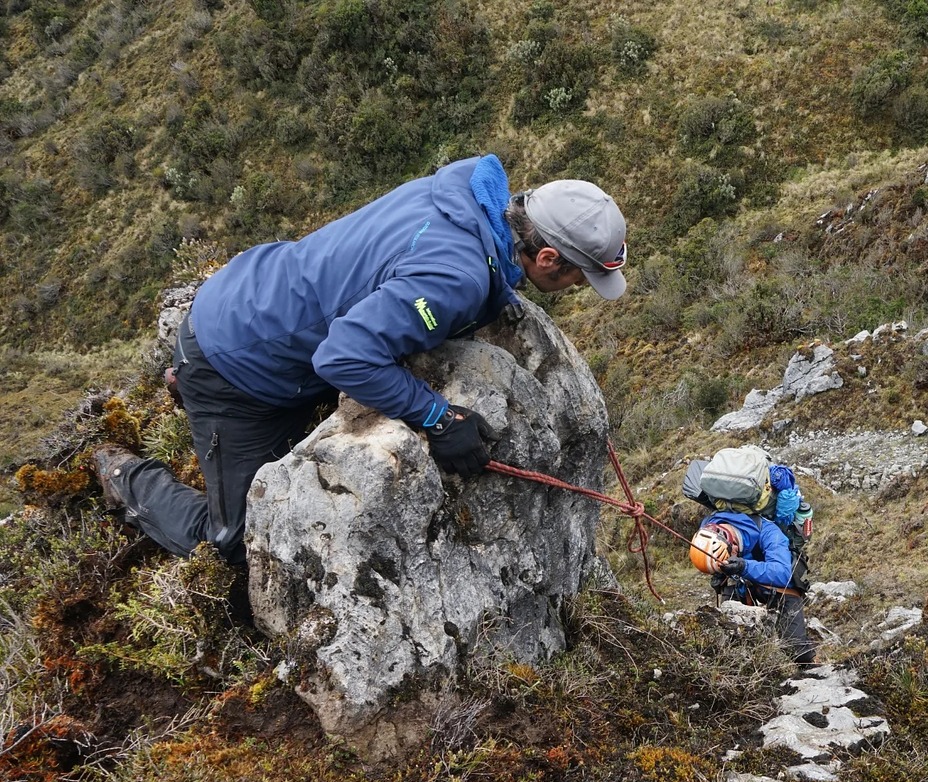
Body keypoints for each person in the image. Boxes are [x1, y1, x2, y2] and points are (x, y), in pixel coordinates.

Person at [93, 154, 628, 565]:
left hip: (259, 296)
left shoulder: (467, 197)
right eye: (582, 274)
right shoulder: (457, 277)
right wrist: (439, 418)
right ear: (549, 256)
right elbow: (344, 357)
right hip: (237, 361)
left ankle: (199, 399)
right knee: (239, 542)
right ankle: (125, 473)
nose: (580, 286)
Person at [689, 511, 817, 666]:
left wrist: (744, 566)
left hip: (776, 586)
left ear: (734, 546)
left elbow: (782, 573)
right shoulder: (707, 529)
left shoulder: (770, 532)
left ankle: (805, 661)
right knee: (729, 646)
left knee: (797, 651)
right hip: (739, 583)